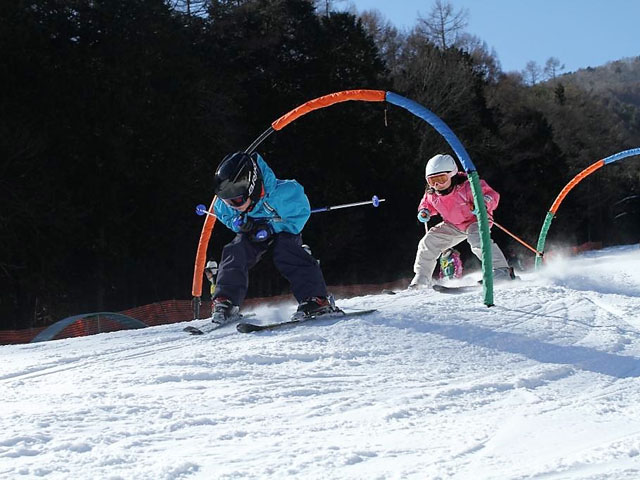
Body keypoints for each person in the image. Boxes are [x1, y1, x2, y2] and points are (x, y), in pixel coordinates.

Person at [210, 151, 333, 324]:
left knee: (287, 251)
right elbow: (225, 215)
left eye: (236, 201)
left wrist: (270, 228)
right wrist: (240, 224)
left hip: (284, 232)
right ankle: (226, 301)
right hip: (252, 233)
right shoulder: (228, 204)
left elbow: (299, 217)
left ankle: (315, 299)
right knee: (235, 250)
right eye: (227, 202)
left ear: (251, 189)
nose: (232, 206)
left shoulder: (284, 194)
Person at [410, 153, 515, 288]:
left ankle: (501, 270)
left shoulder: (468, 185)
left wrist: (482, 204)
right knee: (429, 241)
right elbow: (426, 204)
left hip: (475, 221)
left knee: (478, 240)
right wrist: (424, 211)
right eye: (432, 181)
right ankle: (421, 279)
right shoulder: (431, 193)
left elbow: (492, 195)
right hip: (453, 225)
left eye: (442, 179)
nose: (437, 185)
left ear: (452, 174)